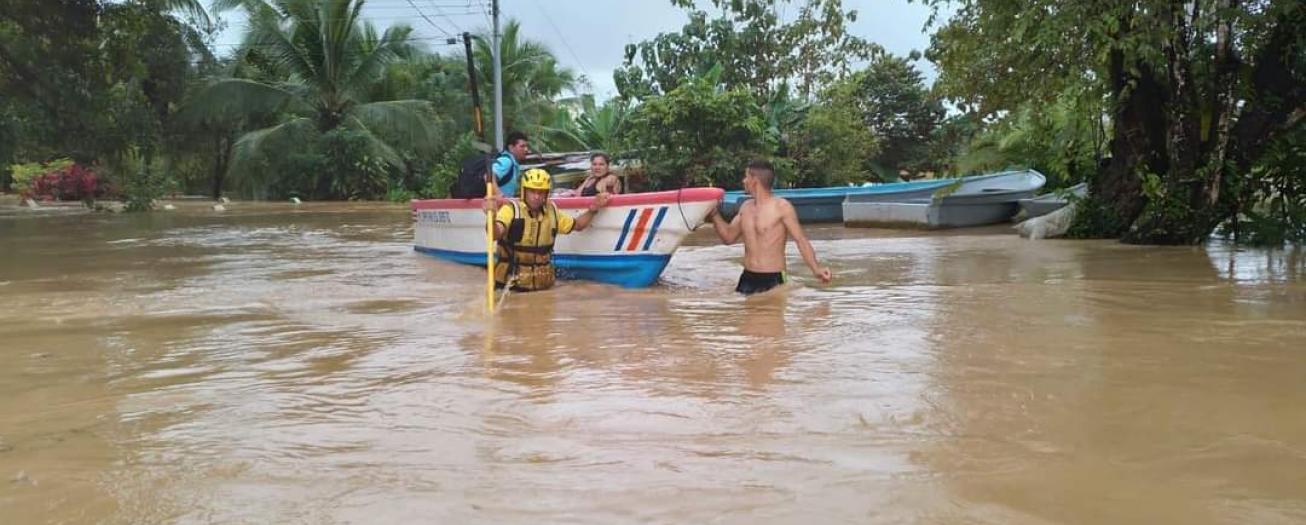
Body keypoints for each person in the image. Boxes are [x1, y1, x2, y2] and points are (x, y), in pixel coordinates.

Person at [705, 159, 832, 295]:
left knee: (771, 315)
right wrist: (714, 214)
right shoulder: (745, 207)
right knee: (744, 316)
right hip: (747, 277)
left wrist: (816, 269)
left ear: (754, 180)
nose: (743, 181)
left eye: (746, 176)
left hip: (773, 277)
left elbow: (801, 240)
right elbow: (728, 237)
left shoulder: (782, 207)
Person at [484, 169, 610, 292]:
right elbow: (494, 234)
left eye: (541, 192)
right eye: (532, 192)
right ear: (524, 191)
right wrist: (492, 217)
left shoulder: (552, 212)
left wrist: (594, 208)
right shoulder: (510, 210)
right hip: (510, 288)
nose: (537, 197)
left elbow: (578, 225)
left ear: (547, 193)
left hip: (543, 287)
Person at [489, 131, 531, 198]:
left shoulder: (514, 164)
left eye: (526, 146)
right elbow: (488, 175)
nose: (526, 149)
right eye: (522, 146)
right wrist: (500, 196)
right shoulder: (506, 161)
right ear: (511, 148)